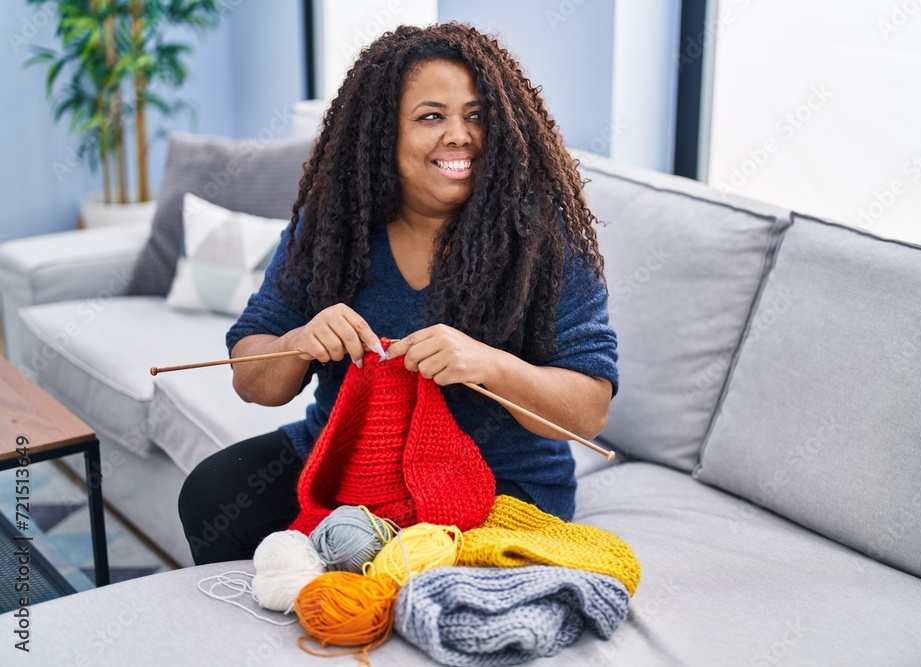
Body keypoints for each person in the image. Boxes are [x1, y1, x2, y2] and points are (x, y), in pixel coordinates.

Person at [178, 23, 618, 565]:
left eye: (476, 115)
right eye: (431, 116)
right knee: (213, 493)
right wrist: (299, 340)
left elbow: (590, 412)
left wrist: (490, 366)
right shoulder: (331, 229)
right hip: (351, 460)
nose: (460, 135)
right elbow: (252, 379)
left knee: (392, 564)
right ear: (383, 132)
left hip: (498, 482)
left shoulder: (543, 244)